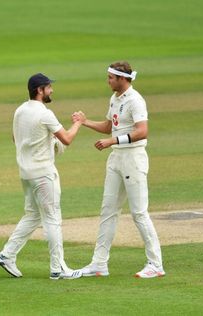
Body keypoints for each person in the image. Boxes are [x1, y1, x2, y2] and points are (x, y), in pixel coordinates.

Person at [76, 61, 165, 278]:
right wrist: (85, 122)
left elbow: (142, 131)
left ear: (122, 79)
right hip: (116, 159)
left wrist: (112, 141)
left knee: (139, 213)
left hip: (133, 159)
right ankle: (99, 263)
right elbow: (109, 126)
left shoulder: (135, 100)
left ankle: (155, 264)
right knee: (108, 210)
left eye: (110, 78)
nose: (108, 81)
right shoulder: (115, 99)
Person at [0, 73, 84, 280]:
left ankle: (7, 254)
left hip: (26, 173)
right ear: (39, 90)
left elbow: (14, 138)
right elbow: (67, 139)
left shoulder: (20, 110)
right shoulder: (45, 114)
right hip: (43, 173)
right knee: (52, 218)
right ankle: (58, 268)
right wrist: (78, 122)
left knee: (33, 215)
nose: (51, 90)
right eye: (48, 87)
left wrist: (42, 141)